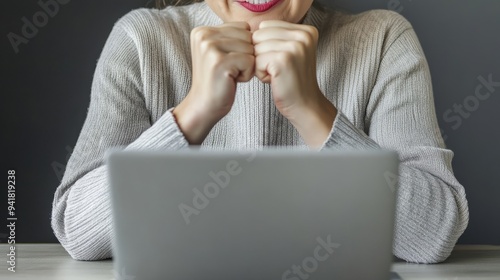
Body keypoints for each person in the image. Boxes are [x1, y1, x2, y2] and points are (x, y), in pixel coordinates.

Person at [51, 0, 469, 263]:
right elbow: (78, 231)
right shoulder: (141, 40)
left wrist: (313, 111)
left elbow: (433, 235)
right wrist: (193, 112)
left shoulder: (382, 39)